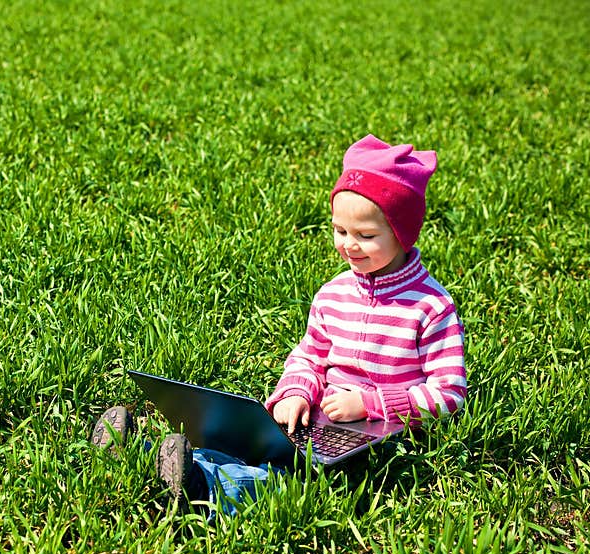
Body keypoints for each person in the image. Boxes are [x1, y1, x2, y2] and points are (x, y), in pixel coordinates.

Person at [92, 134, 467, 517]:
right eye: (340, 231)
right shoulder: (333, 294)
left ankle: (205, 488)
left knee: (285, 476)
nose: (349, 245)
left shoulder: (430, 307)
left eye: (366, 236)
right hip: (319, 422)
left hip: (377, 443)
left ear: (403, 233)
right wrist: (296, 393)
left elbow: (449, 393)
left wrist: (371, 404)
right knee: (249, 441)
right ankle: (139, 455)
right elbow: (309, 357)